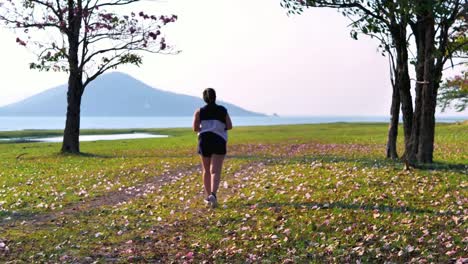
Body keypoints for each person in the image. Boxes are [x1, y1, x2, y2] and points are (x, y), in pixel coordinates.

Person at [192, 88, 232, 208]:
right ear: (215, 97)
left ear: (204, 98)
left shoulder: (199, 111)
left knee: (206, 170)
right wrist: (218, 128)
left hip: (205, 141)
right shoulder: (222, 110)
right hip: (219, 140)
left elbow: (195, 128)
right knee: (215, 170)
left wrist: (204, 129)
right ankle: (213, 195)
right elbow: (229, 126)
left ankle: (208, 196)